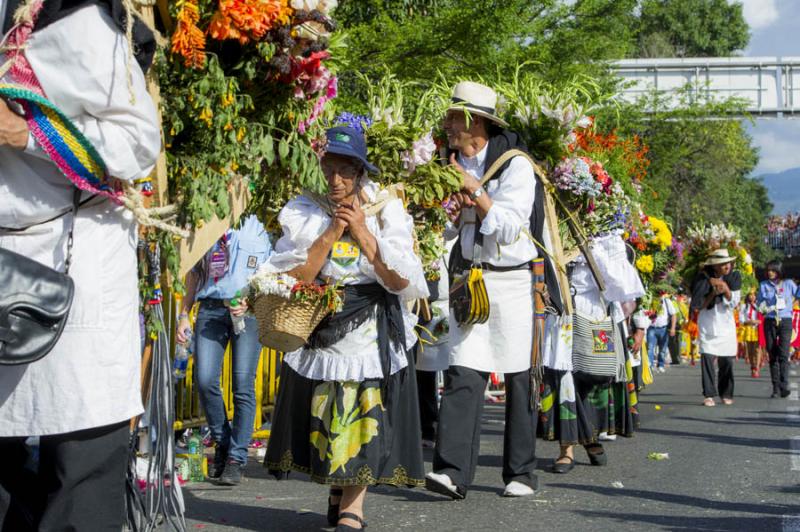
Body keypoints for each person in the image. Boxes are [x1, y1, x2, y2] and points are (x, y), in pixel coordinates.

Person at [0, 2, 159, 530]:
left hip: (76, 263)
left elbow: (138, 143)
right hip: (6, 263)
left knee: (79, 462)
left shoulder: (78, 20)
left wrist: (24, 134)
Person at [263, 126, 428, 531]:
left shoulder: (386, 209)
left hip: (371, 324)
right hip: (322, 320)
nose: (335, 180)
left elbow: (402, 281)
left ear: (360, 172)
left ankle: (354, 506)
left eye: (345, 172)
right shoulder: (306, 209)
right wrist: (333, 231)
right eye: (329, 169)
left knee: (363, 405)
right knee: (327, 407)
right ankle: (337, 490)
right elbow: (296, 275)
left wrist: (363, 234)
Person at [425, 81, 551, 499]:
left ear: (475, 122)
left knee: (518, 374)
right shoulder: (445, 161)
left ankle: (521, 472)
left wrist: (472, 191)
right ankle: (451, 472)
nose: (446, 126)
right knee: (463, 367)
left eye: (451, 119)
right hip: (469, 278)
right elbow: (444, 223)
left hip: (513, 280)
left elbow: (512, 226)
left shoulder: (516, 165)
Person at [176, 215, 272, 485]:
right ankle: (222, 440)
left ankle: (235, 458)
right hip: (211, 308)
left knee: (243, 385)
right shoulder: (207, 219)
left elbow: (272, 274)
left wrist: (251, 301)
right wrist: (184, 313)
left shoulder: (262, 223)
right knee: (205, 379)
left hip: (248, 313)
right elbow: (194, 272)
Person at [540, 233, 644, 474]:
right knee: (564, 379)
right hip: (561, 314)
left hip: (597, 315)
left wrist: (591, 250)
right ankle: (566, 450)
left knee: (594, 380)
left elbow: (621, 285)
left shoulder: (609, 239)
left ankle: (591, 438)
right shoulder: (553, 227)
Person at [691, 249, 742, 407]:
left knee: (726, 360)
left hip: (726, 324)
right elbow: (698, 306)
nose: (726, 266)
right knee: (707, 358)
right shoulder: (702, 280)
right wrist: (712, 292)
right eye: (722, 264)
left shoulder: (733, 278)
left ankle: (726, 393)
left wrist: (726, 290)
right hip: (707, 323)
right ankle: (709, 394)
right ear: (714, 267)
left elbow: (735, 303)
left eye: (727, 263)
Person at [757, 261, 800, 398]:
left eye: (773, 270)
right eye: (768, 270)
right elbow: (760, 302)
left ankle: (784, 385)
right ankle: (775, 387)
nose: (770, 272)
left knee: (783, 353)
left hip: (785, 320)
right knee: (772, 354)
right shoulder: (764, 285)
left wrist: (792, 301)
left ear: (779, 271)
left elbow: (798, 295)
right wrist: (762, 307)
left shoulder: (789, 284)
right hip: (769, 320)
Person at [646, 291, 677, 374]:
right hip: (651, 328)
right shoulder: (650, 299)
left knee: (662, 349)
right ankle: (650, 366)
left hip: (663, 329)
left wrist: (673, 328)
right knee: (650, 348)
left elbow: (673, 314)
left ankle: (660, 365)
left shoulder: (666, 300)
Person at [739, 290, 763, 378]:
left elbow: (764, 316)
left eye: (754, 295)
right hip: (748, 328)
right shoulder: (744, 306)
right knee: (750, 350)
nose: (752, 297)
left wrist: (757, 321)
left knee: (757, 349)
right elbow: (741, 318)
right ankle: (752, 366)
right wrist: (748, 321)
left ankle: (756, 368)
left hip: (757, 329)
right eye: (750, 295)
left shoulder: (760, 305)